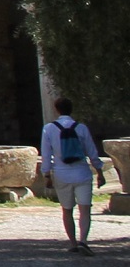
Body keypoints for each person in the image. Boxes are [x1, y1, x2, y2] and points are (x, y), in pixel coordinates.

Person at [41, 98, 106, 255]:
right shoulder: (81, 128)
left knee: (67, 210)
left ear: (56, 110)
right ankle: (83, 240)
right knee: (85, 209)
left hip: (62, 173)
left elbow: (46, 153)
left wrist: (47, 174)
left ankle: (72, 242)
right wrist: (100, 171)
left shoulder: (49, 129)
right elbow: (92, 151)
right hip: (81, 172)